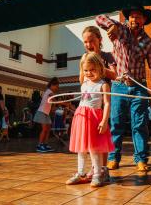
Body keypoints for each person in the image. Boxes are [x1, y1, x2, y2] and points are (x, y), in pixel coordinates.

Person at [96, 5, 151, 172]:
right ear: (128, 19)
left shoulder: (149, 42)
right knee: (116, 123)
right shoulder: (120, 31)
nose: (135, 19)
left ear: (144, 20)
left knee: (139, 124)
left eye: (139, 16)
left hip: (139, 87)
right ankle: (113, 158)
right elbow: (99, 18)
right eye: (132, 16)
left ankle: (141, 159)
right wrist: (111, 26)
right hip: (118, 85)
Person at [66, 52, 114, 187]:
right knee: (81, 149)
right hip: (81, 117)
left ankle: (97, 174)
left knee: (94, 148)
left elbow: (107, 104)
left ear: (100, 67)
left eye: (92, 69)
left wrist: (104, 121)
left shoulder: (103, 85)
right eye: (86, 70)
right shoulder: (84, 83)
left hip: (94, 118)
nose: (89, 73)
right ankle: (80, 173)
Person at [81, 26, 117, 180]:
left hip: (102, 101)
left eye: (92, 40)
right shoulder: (85, 58)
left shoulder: (107, 56)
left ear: (99, 40)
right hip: (90, 102)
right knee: (91, 138)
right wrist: (87, 67)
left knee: (101, 137)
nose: (88, 44)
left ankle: (103, 169)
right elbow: (82, 80)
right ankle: (96, 168)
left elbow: (115, 74)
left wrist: (98, 65)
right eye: (85, 42)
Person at [33, 78, 60, 153]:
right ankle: (40, 145)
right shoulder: (49, 91)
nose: (57, 88)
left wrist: (54, 109)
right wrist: (65, 103)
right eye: (56, 86)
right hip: (42, 112)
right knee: (44, 129)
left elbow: (51, 104)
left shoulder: (50, 92)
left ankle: (45, 144)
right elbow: (54, 100)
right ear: (52, 85)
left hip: (46, 113)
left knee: (48, 129)